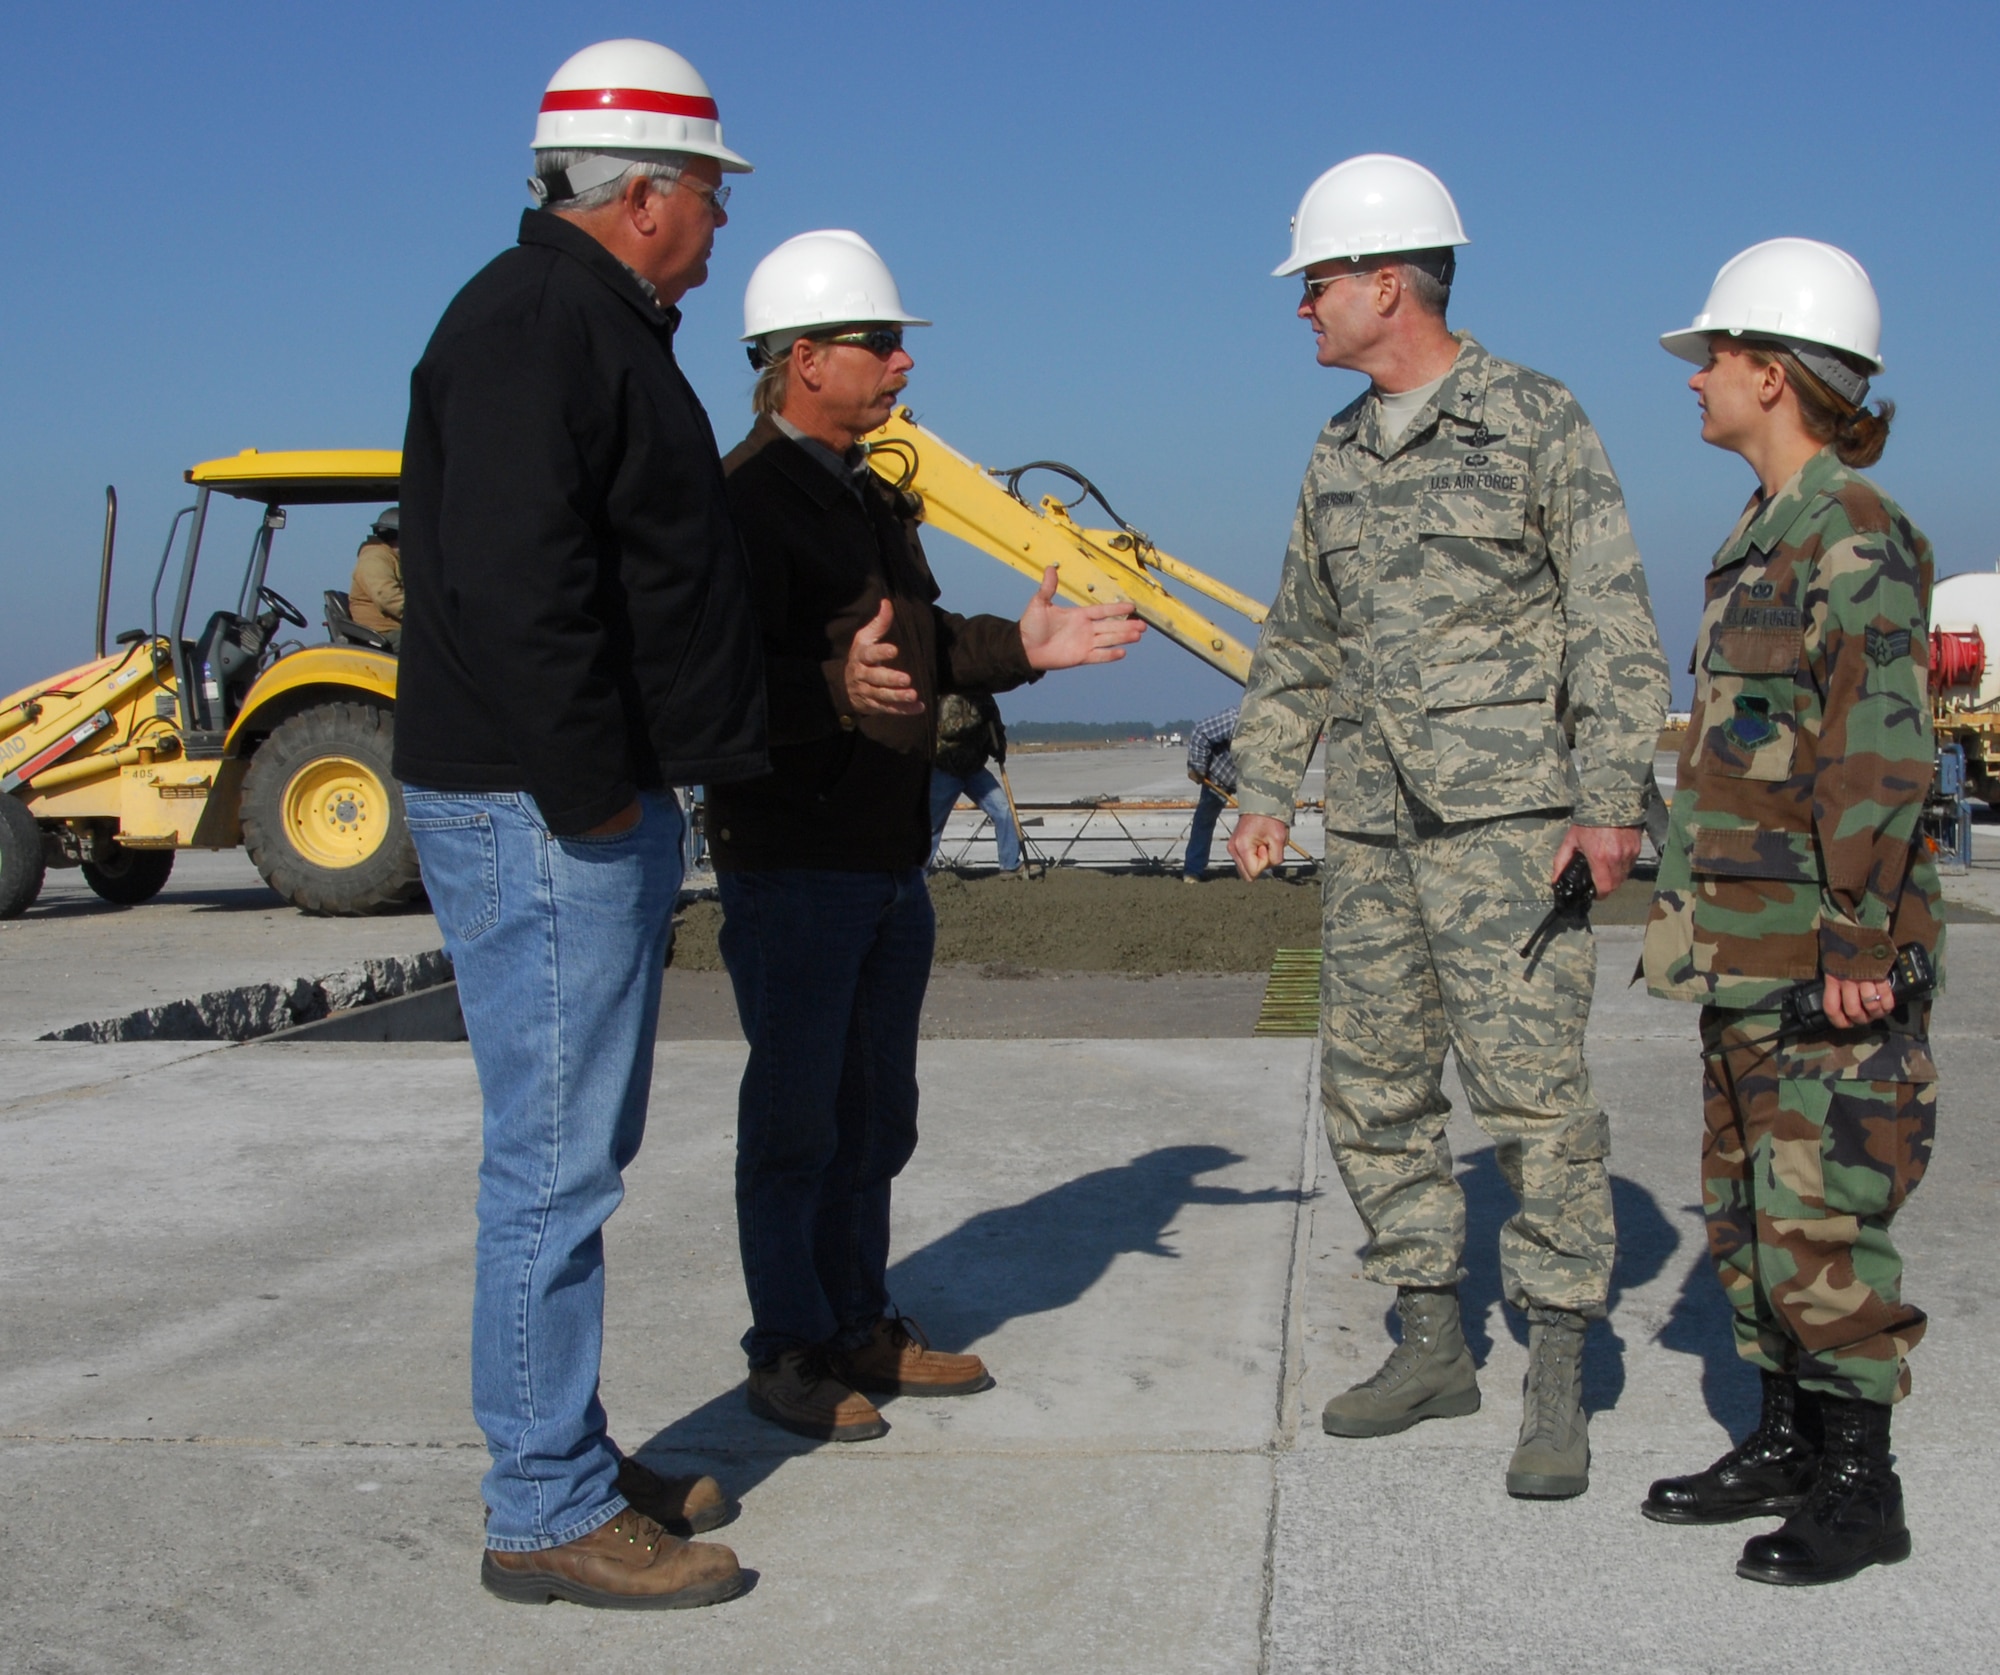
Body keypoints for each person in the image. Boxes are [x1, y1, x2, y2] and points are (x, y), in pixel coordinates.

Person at [1228, 155, 1669, 1499]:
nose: (1303, 306)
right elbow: (1303, 633)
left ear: (1386, 280)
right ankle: (1432, 1338)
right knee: (1371, 1086)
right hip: (1371, 829)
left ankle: (1555, 1369)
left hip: (1508, 831)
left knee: (1534, 1100)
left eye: (1317, 282)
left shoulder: (1535, 417)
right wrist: (1263, 784)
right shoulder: (1337, 450)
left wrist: (1608, 798)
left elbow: (1610, 616)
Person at [392, 39, 764, 1611]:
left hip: (565, 802)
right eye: (713, 195)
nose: (726, 224)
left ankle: (564, 1442)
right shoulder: (539, 324)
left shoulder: (582, 319)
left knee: (573, 1152)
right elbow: (511, 582)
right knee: (553, 1167)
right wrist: (593, 788)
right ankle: (540, 1501)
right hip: (542, 810)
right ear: (647, 196)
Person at [712, 230, 1144, 1442]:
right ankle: (787, 1348)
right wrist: (830, 693)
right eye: (877, 343)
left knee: (873, 1117)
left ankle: (857, 1319)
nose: (901, 364)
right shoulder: (744, 500)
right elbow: (711, 681)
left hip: (878, 860)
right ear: (803, 359)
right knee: (796, 1122)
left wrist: (1025, 649)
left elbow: (917, 642)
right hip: (793, 859)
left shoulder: (860, 491)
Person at [1638, 239, 1941, 1587]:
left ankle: (1862, 1488)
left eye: (1712, 356)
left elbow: (1879, 753)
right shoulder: (1763, 538)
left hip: (1828, 959)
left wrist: (1863, 944)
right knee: (1752, 1216)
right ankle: (1785, 1439)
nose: (1696, 376)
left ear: (1771, 372)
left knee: (1827, 1220)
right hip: (1749, 955)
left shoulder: (1855, 537)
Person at [928, 690, 1023, 873]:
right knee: (933, 824)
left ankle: (1010, 863)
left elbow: (996, 727)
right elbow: (949, 729)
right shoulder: (951, 697)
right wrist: (978, 719)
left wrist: (999, 747)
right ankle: (920, 872)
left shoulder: (986, 700)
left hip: (975, 770)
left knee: (1003, 810)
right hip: (947, 768)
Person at [1182, 706, 1239, 881]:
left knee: (1257, 822)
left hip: (1253, 781)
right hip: (1218, 776)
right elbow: (1201, 732)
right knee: (1204, 820)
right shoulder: (1237, 719)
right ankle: (1193, 870)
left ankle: (1256, 869)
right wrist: (1198, 768)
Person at [348, 507, 404, 649]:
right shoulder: (375, 557)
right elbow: (387, 597)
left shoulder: (391, 558)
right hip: (383, 633)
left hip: (392, 630)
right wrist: (426, 615)